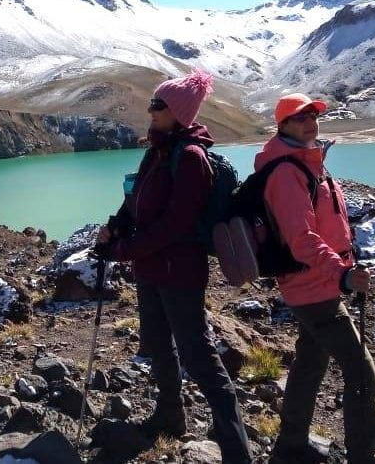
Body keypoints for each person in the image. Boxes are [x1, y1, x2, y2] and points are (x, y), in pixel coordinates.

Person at [95, 69, 252, 464]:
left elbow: (175, 226)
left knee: (198, 354)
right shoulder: (158, 151)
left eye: (158, 105)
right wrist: (116, 228)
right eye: (151, 103)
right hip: (150, 271)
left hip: (179, 273)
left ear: (178, 113)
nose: (149, 110)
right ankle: (170, 416)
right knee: (159, 346)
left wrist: (123, 250)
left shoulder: (191, 159)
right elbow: (136, 202)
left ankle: (236, 448)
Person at [258, 93, 375, 464]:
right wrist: (342, 273)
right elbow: (302, 239)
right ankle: (362, 457)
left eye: (313, 115)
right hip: (314, 286)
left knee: (310, 364)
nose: (310, 122)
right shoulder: (286, 172)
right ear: (283, 125)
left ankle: (290, 446)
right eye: (300, 118)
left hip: (320, 281)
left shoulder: (309, 163)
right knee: (361, 373)